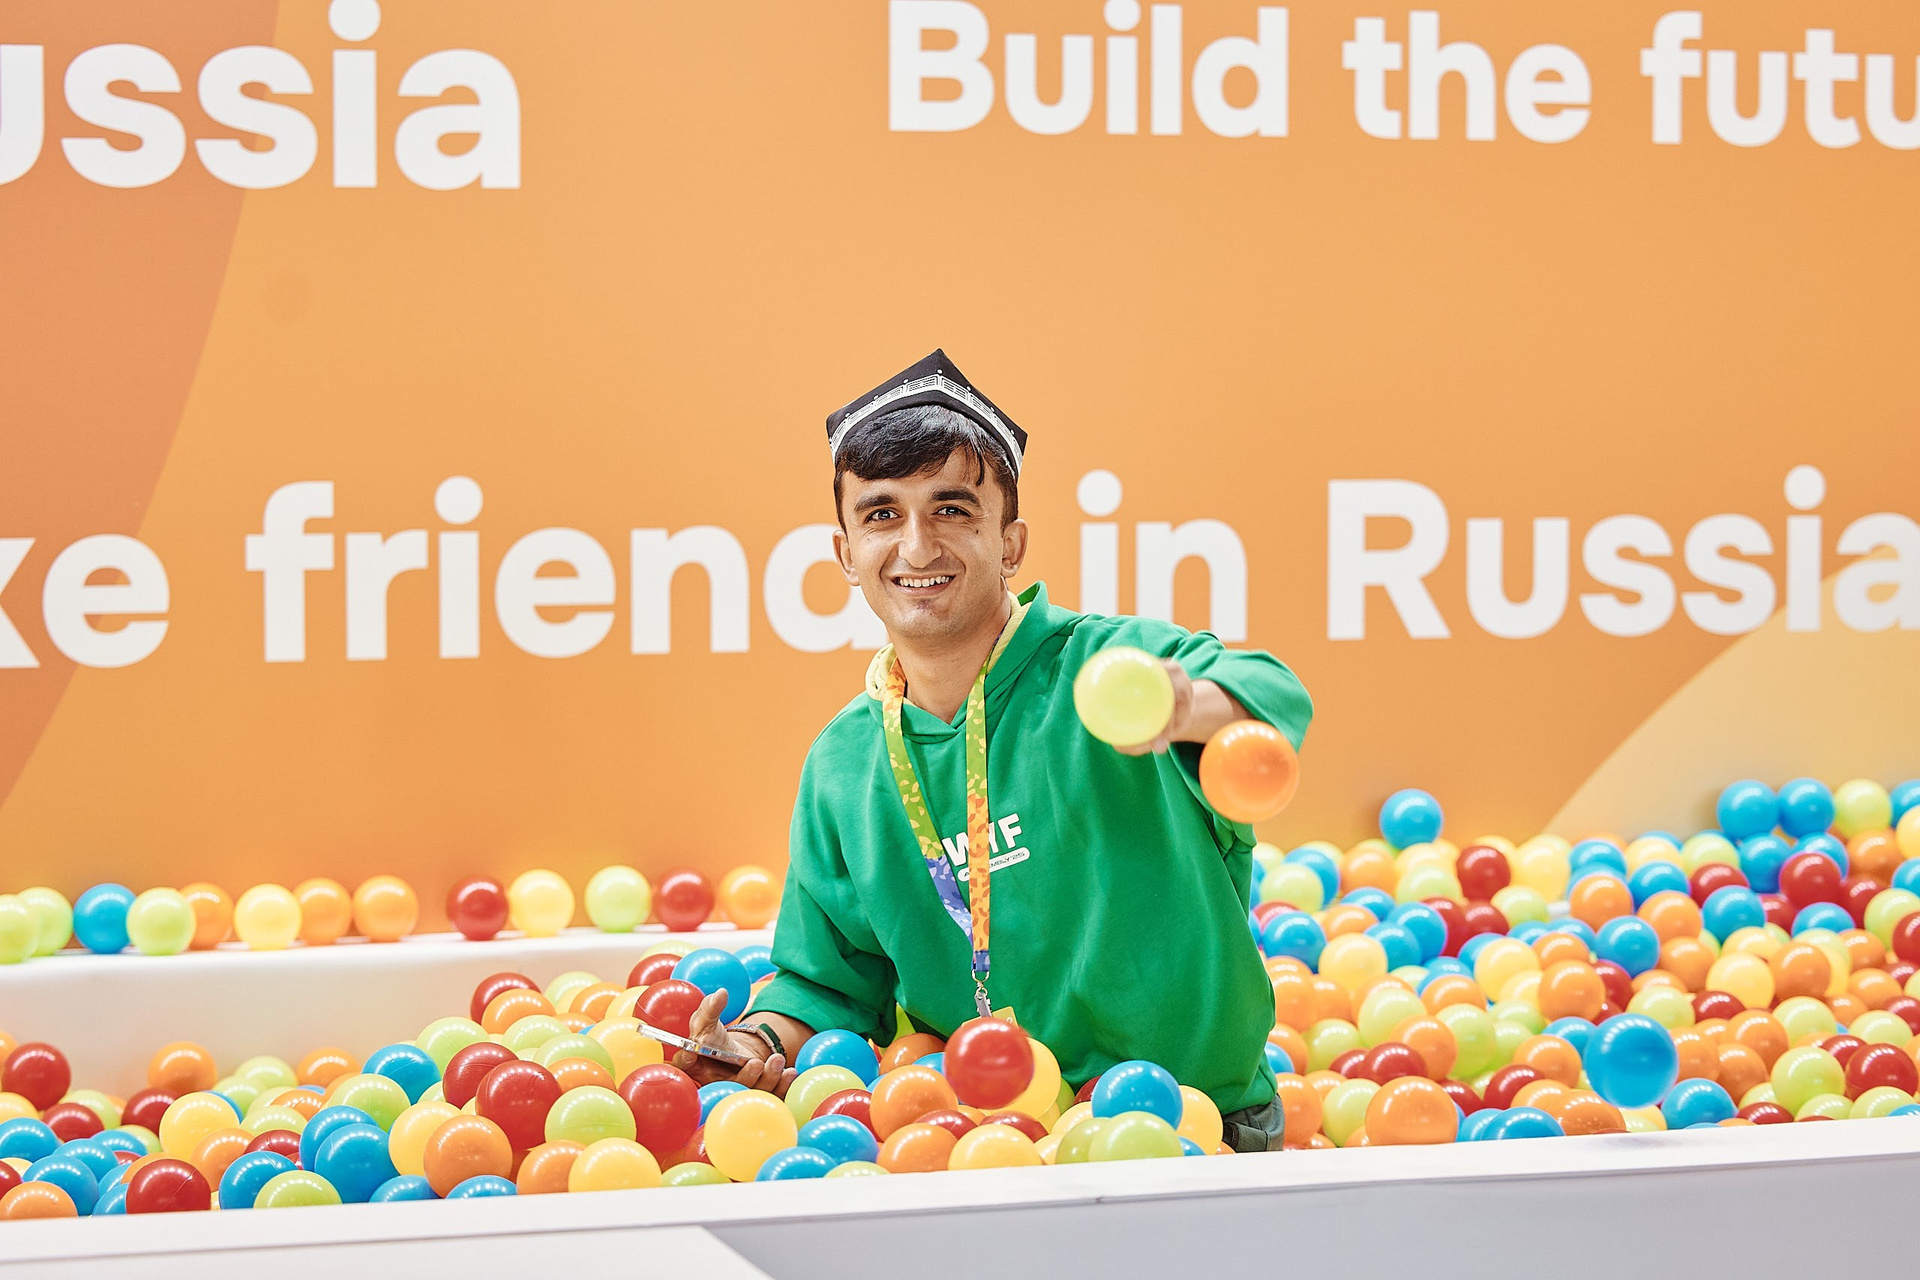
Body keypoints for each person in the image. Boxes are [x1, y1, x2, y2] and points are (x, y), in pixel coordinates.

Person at [673, 350, 1312, 1150]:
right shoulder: (845, 763)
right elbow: (828, 985)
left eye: (951, 510)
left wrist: (1177, 705)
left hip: (1192, 1132)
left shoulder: (1109, 671)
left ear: (1010, 544)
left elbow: (1270, 695)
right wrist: (754, 1043)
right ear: (845, 554)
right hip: (982, 1147)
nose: (916, 547)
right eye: (881, 515)